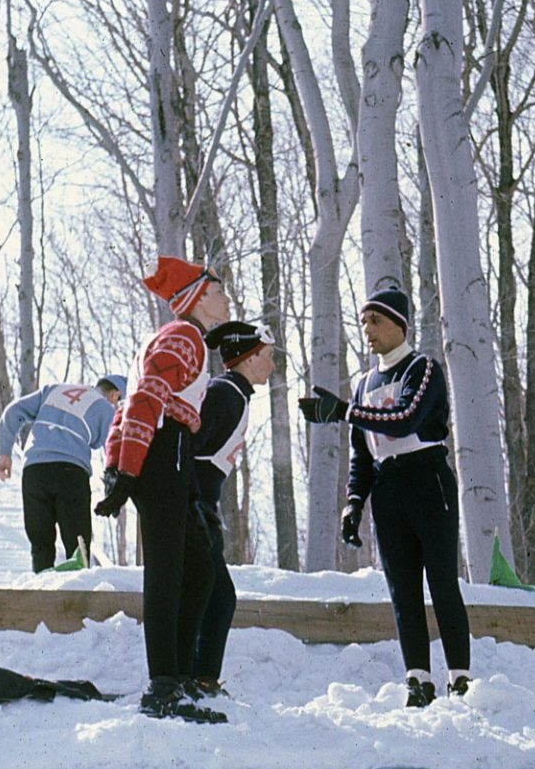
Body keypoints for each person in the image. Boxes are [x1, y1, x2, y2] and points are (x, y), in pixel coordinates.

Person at [299, 288, 472, 708]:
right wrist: (354, 502)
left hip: (427, 479)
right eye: (363, 323)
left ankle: (461, 677)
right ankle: (418, 678)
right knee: (402, 588)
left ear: (399, 324)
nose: (368, 331)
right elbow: (363, 450)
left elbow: (405, 418)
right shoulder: (363, 383)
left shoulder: (422, 367)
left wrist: (344, 411)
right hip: (388, 489)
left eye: (375, 321)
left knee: (442, 582)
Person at [94, 255, 232, 723]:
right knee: (170, 568)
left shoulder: (181, 338)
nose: (226, 298)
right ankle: (163, 687)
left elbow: (132, 403)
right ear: (196, 300)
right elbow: (148, 398)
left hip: (166, 453)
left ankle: (179, 677)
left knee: (197, 566)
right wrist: (127, 470)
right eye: (218, 292)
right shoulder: (184, 335)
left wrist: (120, 464)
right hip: (164, 450)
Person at [190, 321, 277, 693]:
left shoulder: (234, 395)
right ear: (249, 358)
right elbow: (188, 450)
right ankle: (197, 679)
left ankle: (199, 678)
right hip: (192, 504)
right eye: (268, 357)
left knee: (214, 596)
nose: (273, 366)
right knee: (218, 596)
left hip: (201, 503)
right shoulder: (224, 394)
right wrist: (194, 506)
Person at [0, 374, 127, 573]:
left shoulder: (54, 390)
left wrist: (5, 453)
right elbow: (116, 448)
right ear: (116, 395)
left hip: (34, 471)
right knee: (78, 546)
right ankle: (77, 593)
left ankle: (41, 590)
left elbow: (14, 411)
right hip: (70, 473)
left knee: (40, 545)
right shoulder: (106, 408)